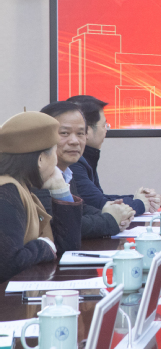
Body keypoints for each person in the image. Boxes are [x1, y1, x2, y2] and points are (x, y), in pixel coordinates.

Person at [0, 112, 83, 282]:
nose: (56, 161)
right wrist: (42, 246)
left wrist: (61, 191)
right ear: (40, 159)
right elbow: (7, 264)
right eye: (54, 153)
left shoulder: (21, 186)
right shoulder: (6, 192)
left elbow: (67, 249)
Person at [39, 102, 134, 238]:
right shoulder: (38, 176)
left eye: (80, 133)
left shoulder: (66, 172)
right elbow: (62, 227)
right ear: (43, 136)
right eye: (64, 133)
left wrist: (114, 213)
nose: (74, 141)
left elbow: (80, 210)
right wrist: (110, 220)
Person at [66, 95, 160, 214]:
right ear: (86, 131)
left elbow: (100, 198)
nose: (106, 130)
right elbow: (100, 205)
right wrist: (140, 204)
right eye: (104, 125)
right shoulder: (73, 162)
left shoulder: (85, 158)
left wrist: (139, 199)